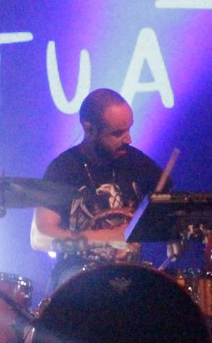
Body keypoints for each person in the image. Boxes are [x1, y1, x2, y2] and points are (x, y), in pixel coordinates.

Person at [30, 88, 166, 291]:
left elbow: (170, 214)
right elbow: (40, 238)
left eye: (129, 129)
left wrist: (177, 232)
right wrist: (110, 237)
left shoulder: (138, 164)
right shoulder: (64, 169)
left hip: (128, 276)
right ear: (89, 129)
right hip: (76, 279)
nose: (128, 139)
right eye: (117, 133)